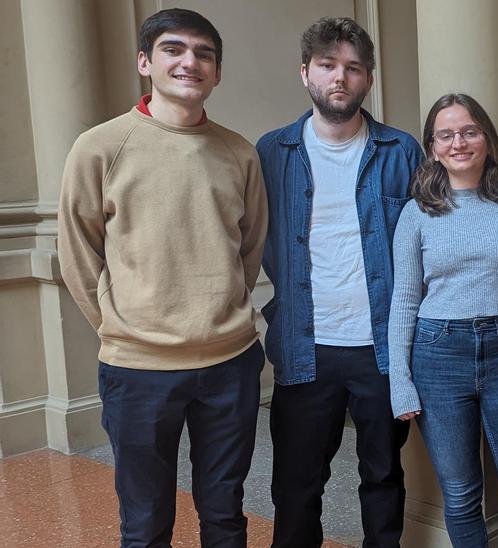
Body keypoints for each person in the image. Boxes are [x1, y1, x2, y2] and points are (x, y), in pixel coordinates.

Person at [57, 8, 267, 547]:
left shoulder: (240, 152)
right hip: (139, 368)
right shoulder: (100, 147)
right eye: (174, 50)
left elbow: (249, 248)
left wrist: (221, 308)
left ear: (217, 73)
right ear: (146, 61)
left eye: (204, 54)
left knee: (225, 515)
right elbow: (78, 253)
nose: (189, 62)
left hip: (230, 364)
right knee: (146, 523)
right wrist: (117, 325)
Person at [255, 17, 421, 548]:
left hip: (383, 349)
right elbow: (245, 236)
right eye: (328, 65)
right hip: (305, 347)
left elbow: (430, 240)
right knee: (296, 486)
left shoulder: (401, 151)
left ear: (367, 79)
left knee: (382, 476)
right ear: (306, 73)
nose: (340, 78)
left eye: (352, 67)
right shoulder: (271, 154)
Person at [388, 93, 498, 547]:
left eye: (469, 131)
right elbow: (404, 300)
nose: (458, 142)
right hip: (438, 357)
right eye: (445, 135)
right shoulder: (416, 214)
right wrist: (399, 381)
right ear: (432, 147)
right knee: (462, 497)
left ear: (486, 139)